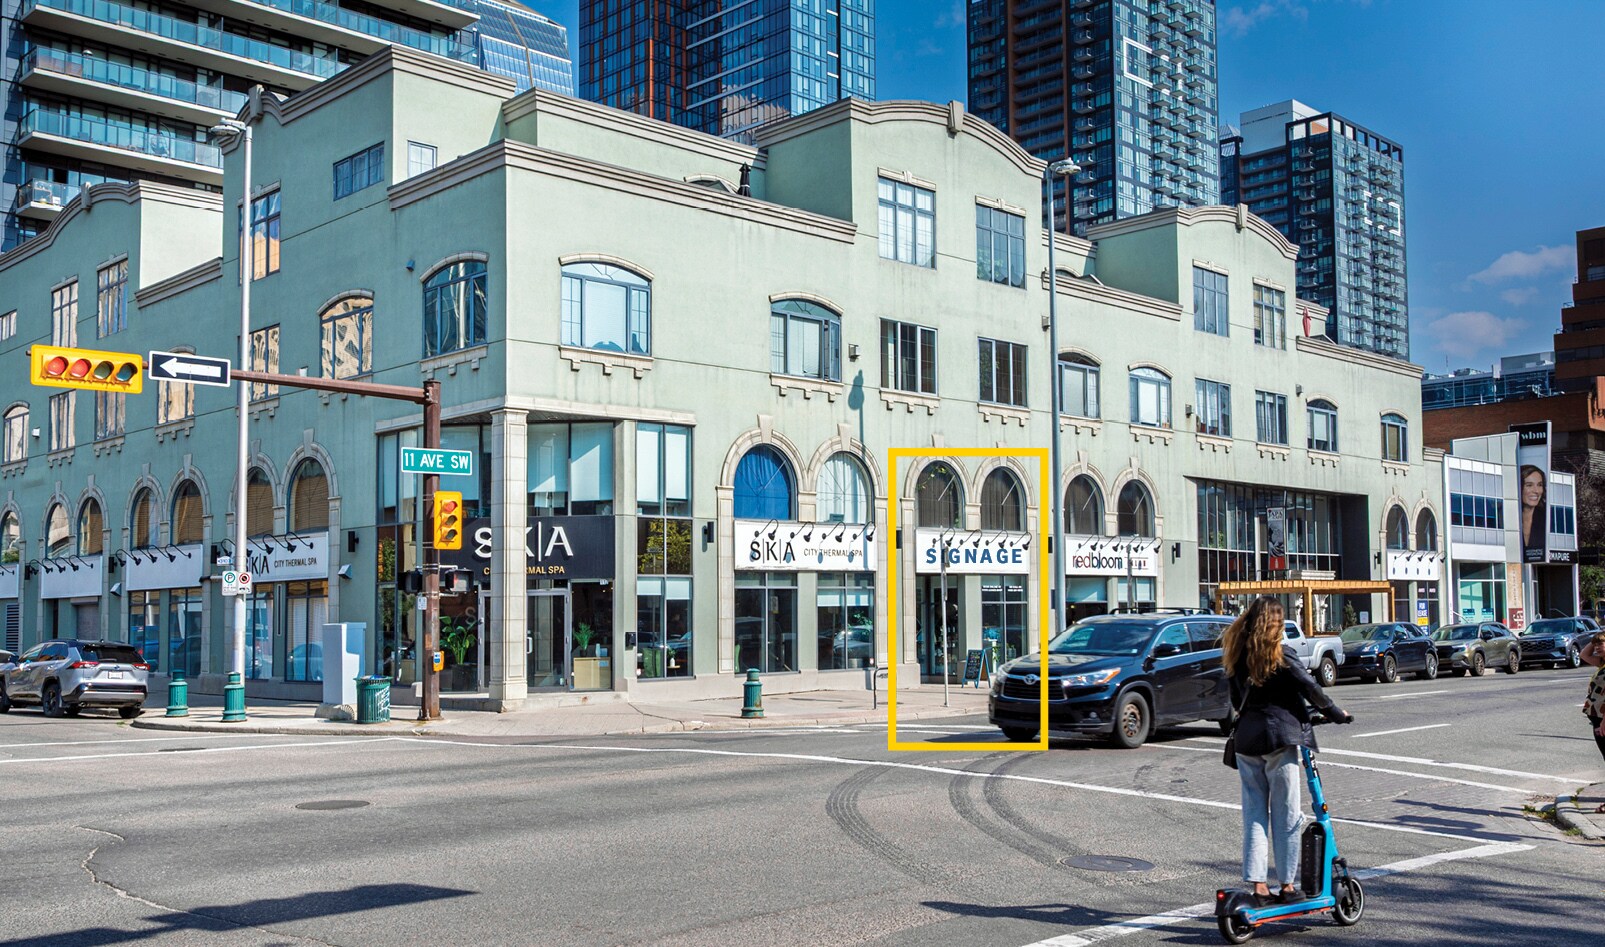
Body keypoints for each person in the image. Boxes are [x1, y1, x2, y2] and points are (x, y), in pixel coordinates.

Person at [1222, 596, 1352, 903]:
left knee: (1254, 814)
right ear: (1274, 625)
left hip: (1246, 742)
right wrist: (1336, 713)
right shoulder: (1281, 655)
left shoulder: (1235, 656)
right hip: (1279, 740)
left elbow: (1233, 700)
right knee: (1287, 814)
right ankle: (1288, 885)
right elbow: (1310, 687)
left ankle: (1258, 885)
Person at [1580, 633, 1605, 790]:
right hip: (1598, 718)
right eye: (1596, 645)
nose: (1596, 648)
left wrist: (1604, 722)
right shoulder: (1601, 664)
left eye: (1600, 644)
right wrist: (1595, 638)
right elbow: (1584, 654)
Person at [1520, 465, 1546, 556]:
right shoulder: (1501, 516)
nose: (1536, 491)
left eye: (1539, 485)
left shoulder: (1547, 517)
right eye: (1529, 485)